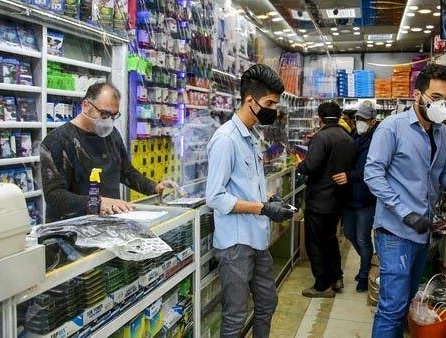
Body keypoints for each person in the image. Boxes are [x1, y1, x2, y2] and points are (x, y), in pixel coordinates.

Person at [364, 64, 446, 338]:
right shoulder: (391, 128)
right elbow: (372, 175)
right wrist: (405, 213)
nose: (441, 105)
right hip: (395, 232)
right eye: (435, 97)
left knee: (405, 302)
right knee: (392, 308)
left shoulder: (441, 132)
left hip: (422, 233)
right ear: (416, 95)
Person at [205, 64, 295, 338]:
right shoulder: (226, 140)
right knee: (235, 316)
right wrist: (263, 208)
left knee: (268, 302)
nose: (273, 110)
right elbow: (215, 196)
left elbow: (245, 186)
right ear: (249, 100)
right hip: (235, 245)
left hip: (256, 237)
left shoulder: (251, 138)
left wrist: (270, 199)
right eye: (269, 103)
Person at [41, 83, 174, 222]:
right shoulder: (57, 141)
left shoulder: (112, 135)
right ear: (86, 105)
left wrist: (154, 187)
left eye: (113, 115)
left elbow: (126, 171)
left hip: (108, 224)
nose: (108, 121)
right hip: (71, 230)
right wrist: (98, 203)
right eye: (104, 114)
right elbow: (54, 195)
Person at [297, 101, 356, 298]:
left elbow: (311, 166)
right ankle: (336, 277)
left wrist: (300, 165)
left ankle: (322, 285)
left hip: (319, 200)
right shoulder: (347, 137)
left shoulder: (322, 137)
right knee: (330, 239)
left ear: (320, 118)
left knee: (315, 243)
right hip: (337, 199)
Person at [332, 104, 379, 293]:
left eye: (364, 120)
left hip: (365, 197)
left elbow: (373, 170)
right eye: (358, 119)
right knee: (350, 233)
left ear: (372, 121)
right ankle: (369, 263)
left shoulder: (376, 142)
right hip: (349, 196)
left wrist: (350, 176)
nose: (360, 122)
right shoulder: (354, 137)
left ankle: (363, 274)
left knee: (363, 238)